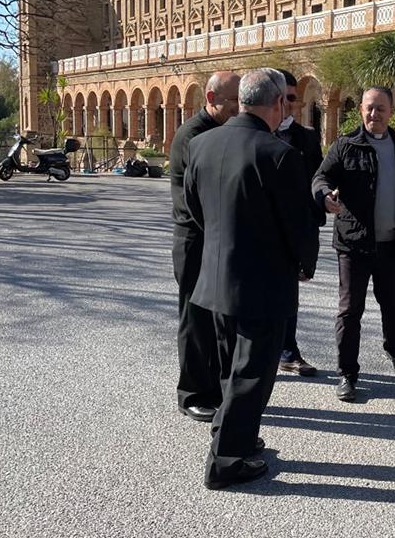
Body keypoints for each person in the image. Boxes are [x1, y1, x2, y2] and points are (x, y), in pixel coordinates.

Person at [184, 69, 319, 490]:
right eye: (286, 102)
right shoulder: (279, 154)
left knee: (230, 369)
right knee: (252, 374)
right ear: (277, 102)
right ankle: (226, 460)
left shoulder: (201, 144)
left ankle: (232, 433)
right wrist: (305, 263)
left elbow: (193, 209)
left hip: (215, 277)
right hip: (263, 282)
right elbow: (299, 225)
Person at [312, 87, 395, 402]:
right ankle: (347, 373)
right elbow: (321, 178)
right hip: (354, 244)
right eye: (369, 108)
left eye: (381, 108)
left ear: (391, 111)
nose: (375, 114)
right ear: (361, 109)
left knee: (394, 304)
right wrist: (325, 196)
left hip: (392, 245)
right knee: (349, 310)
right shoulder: (345, 146)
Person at [170, 71, 241, 422]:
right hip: (196, 240)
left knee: (220, 320)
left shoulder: (223, 131)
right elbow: (194, 200)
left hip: (217, 239)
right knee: (195, 319)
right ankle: (192, 394)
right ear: (211, 99)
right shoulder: (192, 136)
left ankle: (217, 389)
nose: (238, 108)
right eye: (233, 102)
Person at [275, 69, 325, 377]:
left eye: (294, 98)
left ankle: (287, 351)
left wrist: (323, 201)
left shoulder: (306, 137)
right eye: (285, 97)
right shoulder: (252, 134)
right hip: (259, 231)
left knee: (289, 293)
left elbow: (317, 180)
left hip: (292, 232)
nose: (290, 104)